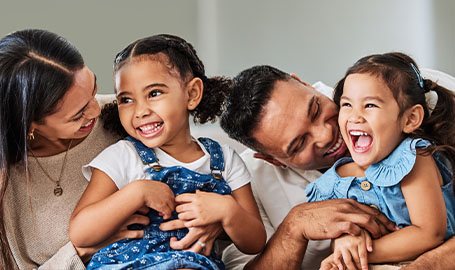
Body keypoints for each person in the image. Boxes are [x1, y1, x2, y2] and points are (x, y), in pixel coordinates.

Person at [219, 64, 455, 270]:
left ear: (305, 84)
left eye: (316, 110)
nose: (327, 134)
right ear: (272, 160)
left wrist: (430, 264)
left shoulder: (405, 90)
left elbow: (430, 231)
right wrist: (294, 228)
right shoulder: (247, 179)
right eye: (299, 144)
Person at [69, 34, 266, 270]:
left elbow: (255, 242)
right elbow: (80, 233)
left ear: (192, 94)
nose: (140, 111)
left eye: (154, 93)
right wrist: (137, 192)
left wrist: (227, 211)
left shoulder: (224, 161)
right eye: (126, 99)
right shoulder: (123, 156)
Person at [0, 29, 152, 270]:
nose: (97, 111)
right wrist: (81, 250)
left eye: (93, 89)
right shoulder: (6, 184)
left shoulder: (127, 116)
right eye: (78, 115)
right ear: (30, 125)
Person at [305, 52, 455, 270]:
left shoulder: (413, 159)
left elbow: (429, 233)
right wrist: (345, 241)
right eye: (347, 105)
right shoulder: (334, 182)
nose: (355, 116)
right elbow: (343, 231)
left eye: (370, 106)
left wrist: (355, 256)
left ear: (410, 119)